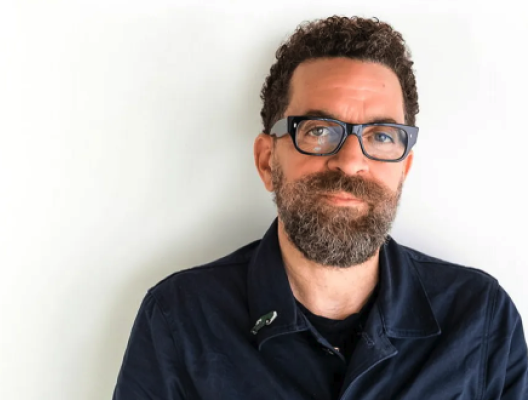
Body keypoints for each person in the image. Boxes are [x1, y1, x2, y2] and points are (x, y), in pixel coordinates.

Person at [113, 16, 528, 399]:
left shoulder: (481, 321)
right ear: (266, 162)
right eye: (318, 130)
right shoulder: (180, 320)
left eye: (382, 136)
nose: (350, 161)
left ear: (404, 168)